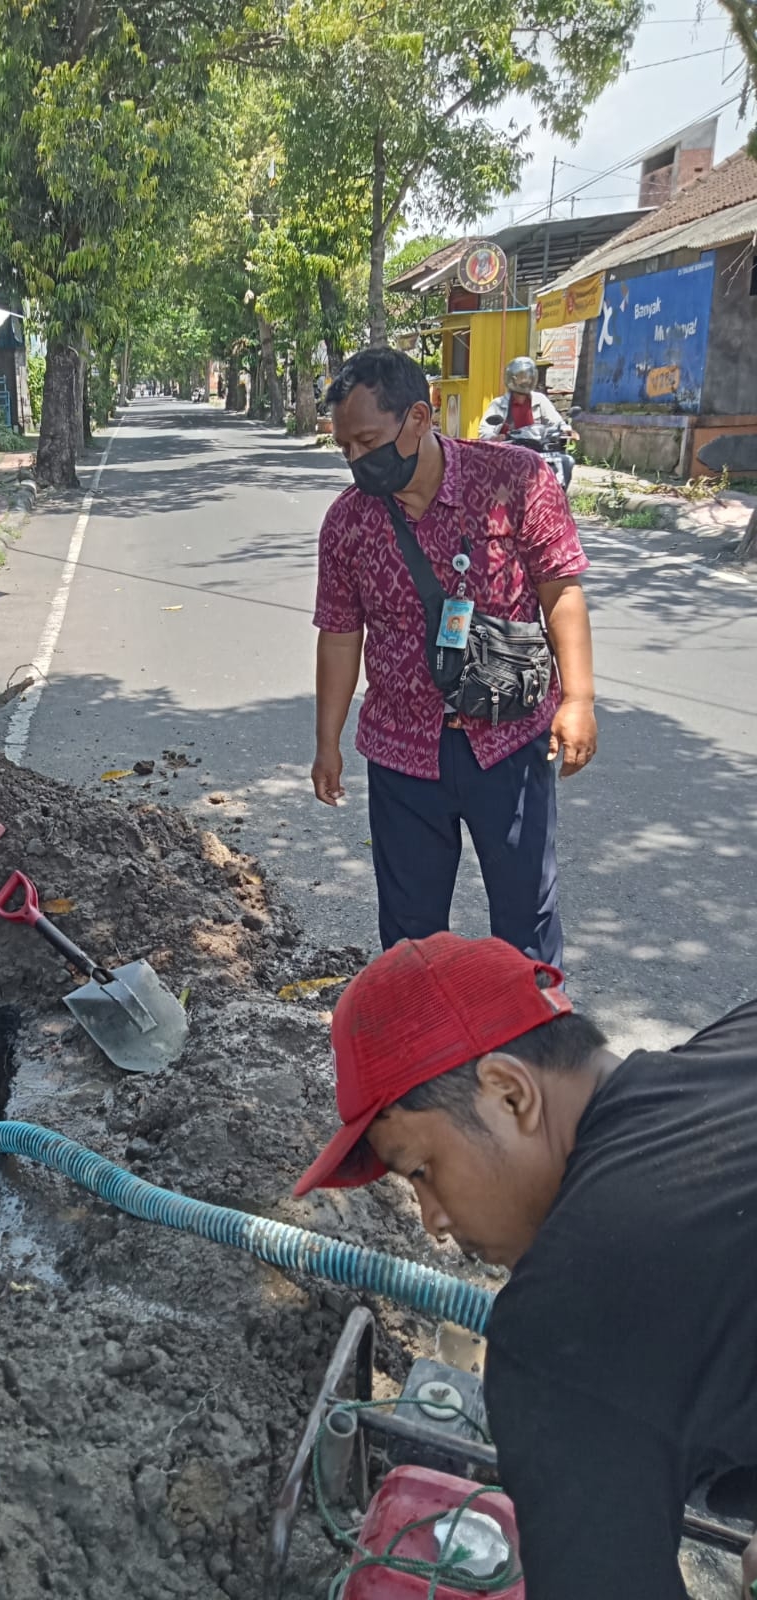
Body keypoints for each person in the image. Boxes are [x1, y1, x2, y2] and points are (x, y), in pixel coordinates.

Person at [294, 932, 757, 1600]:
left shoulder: (564, 1323)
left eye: (423, 1171)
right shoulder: (735, 1046)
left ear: (510, 1093)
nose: (435, 1221)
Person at [312, 346, 597, 969]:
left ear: (419, 418)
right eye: (346, 449)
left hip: (510, 741)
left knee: (527, 919)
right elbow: (339, 635)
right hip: (402, 752)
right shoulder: (347, 523)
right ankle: (427, 1057)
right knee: (411, 936)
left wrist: (577, 700)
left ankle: (535, 1054)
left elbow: (561, 590)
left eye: (367, 440)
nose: (358, 460)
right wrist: (327, 741)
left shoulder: (516, 479)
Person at [479, 356, 575, 491]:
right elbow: (484, 432)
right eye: (521, 377)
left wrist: (564, 428)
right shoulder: (499, 404)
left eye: (529, 377)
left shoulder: (540, 400)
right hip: (510, 455)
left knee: (566, 462)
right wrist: (496, 437)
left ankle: (558, 501)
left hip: (538, 453)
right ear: (511, 378)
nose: (526, 380)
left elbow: (556, 421)